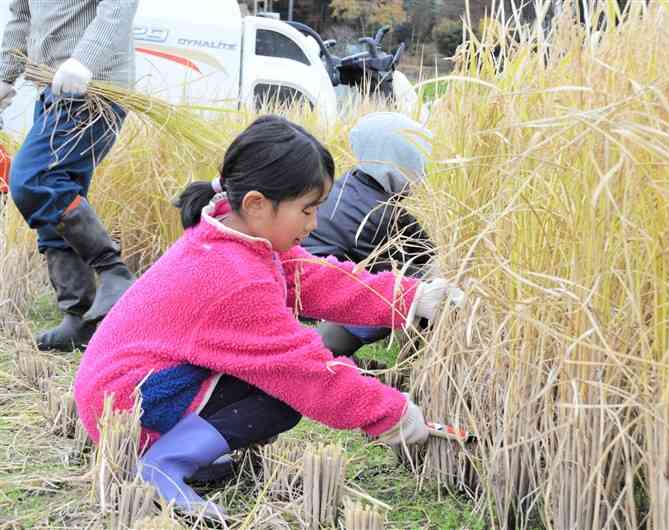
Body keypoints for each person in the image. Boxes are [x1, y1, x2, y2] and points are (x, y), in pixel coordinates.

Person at [74, 115, 463, 520]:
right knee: (280, 394)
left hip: (133, 389)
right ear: (257, 204)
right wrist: (390, 414)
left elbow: (316, 279)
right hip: (130, 405)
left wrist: (412, 297)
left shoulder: (238, 237)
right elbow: (304, 372)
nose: (313, 224)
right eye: (307, 210)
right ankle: (162, 463)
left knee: (274, 385)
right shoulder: (233, 276)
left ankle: (175, 447)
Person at [0, 1, 139, 352]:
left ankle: (114, 272)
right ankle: (79, 317)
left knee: (33, 180)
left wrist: (84, 61)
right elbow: (22, 16)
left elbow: (119, 7)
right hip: (52, 86)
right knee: (58, 191)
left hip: (93, 88)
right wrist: (4, 75)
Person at [302, 112, 437, 358]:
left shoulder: (351, 183)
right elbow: (424, 260)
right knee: (401, 290)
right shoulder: (380, 214)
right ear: (402, 161)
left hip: (306, 286)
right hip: (315, 300)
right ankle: (320, 353)